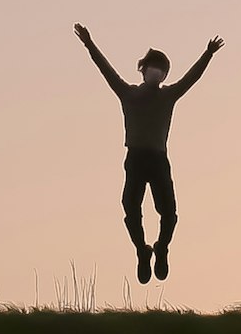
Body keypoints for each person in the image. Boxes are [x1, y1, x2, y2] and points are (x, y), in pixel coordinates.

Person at [75, 24, 218, 284]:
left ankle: (161, 248)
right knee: (130, 207)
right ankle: (142, 250)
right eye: (153, 67)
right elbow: (105, 69)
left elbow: (191, 78)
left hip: (158, 160)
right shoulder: (127, 93)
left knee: (169, 213)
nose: (157, 72)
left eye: (161, 69)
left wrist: (208, 54)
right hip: (136, 159)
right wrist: (89, 43)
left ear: (164, 74)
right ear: (143, 71)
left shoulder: (169, 95)